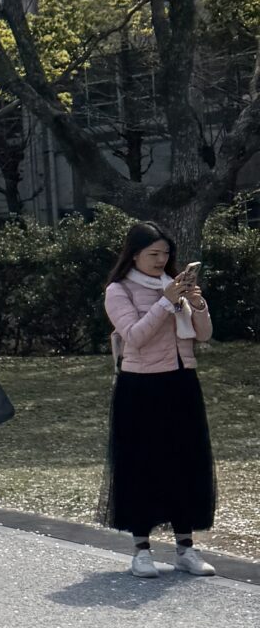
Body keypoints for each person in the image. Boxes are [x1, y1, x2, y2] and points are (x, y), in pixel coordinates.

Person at [104, 223, 217, 576]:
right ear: (134, 255)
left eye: (165, 254)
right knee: (142, 464)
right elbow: (135, 337)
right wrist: (165, 302)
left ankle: (186, 547)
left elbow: (205, 335)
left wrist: (195, 303)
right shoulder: (118, 290)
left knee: (187, 461)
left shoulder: (174, 287)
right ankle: (141, 549)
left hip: (182, 380)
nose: (160, 260)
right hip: (140, 386)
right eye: (153, 254)